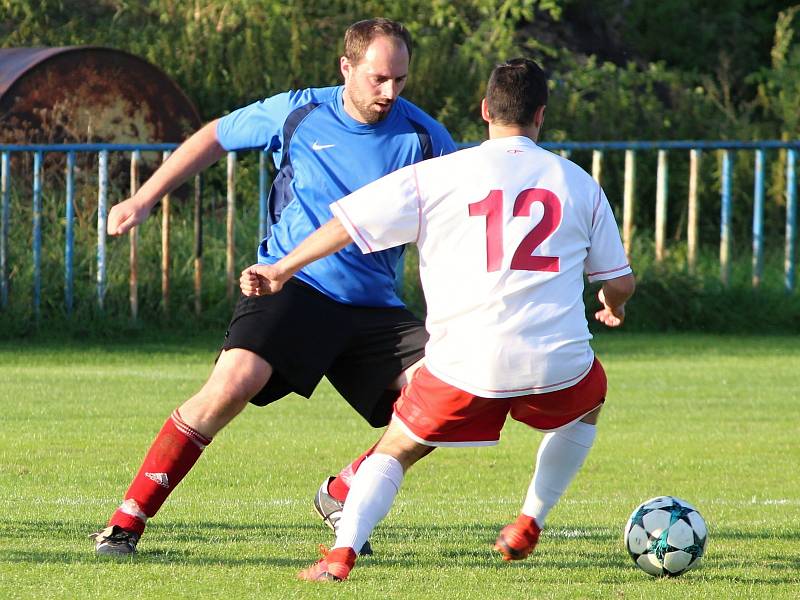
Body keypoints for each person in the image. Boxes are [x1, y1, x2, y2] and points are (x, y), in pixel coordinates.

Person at [239, 57, 636, 582]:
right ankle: (529, 519)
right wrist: (614, 304)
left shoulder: (438, 175)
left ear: (484, 111)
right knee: (588, 403)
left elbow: (347, 223)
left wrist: (282, 268)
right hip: (555, 361)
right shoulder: (577, 182)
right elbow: (620, 278)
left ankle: (342, 554)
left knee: (396, 449)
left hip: (462, 365)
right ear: (541, 115)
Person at [89, 18, 456, 556]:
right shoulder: (300, 111)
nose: (390, 92)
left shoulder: (424, 136)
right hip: (290, 284)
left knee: (451, 393)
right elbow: (214, 136)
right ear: (346, 67)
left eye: (400, 80)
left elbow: (463, 213)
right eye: (378, 78)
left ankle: (345, 489)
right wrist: (144, 198)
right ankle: (128, 520)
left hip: (375, 305)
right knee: (233, 382)